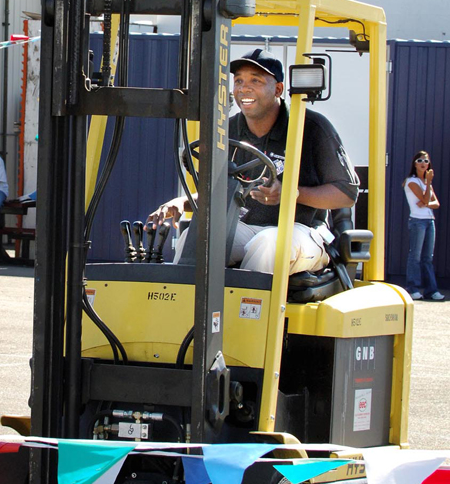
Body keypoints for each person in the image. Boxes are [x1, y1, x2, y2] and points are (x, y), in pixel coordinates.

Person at [148, 48, 359, 275]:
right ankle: (186, 307)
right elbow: (223, 192)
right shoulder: (227, 130)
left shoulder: (311, 128)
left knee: (269, 244)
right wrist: (182, 202)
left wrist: (290, 194)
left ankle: (245, 310)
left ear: (278, 89)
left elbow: (346, 194)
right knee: (197, 237)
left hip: (303, 232)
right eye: (239, 81)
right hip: (246, 227)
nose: (244, 88)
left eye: (255, 80)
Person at [404, 151, 444, 301]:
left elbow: (436, 203)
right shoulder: (411, 181)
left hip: (429, 221)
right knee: (415, 256)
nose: (423, 163)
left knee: (428, 257)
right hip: (417, 221)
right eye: (420, 160)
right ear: (415, 164)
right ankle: (412, 288)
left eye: (426, 161)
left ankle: (431, 290)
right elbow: (427, 199)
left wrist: (425, 200)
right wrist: (427, 188)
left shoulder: (427, 183)